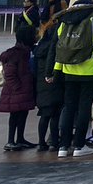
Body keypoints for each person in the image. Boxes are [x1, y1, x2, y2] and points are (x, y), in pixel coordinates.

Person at [53, 0, 93, 158]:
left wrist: (55, 70)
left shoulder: (65, 16)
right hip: (90, 70)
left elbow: (57, 44)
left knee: (69, 107)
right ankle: (79, 145)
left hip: (68, 68)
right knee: (84, 107)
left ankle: (63, 146)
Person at [0, 23, 37, 152]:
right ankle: (11, 141)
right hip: (17, 91)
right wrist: (17, 87)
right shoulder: (18, 53)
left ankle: (20, 139)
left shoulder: (24, 52)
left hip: (21, 90)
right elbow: (10, 73)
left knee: (22, 114)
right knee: (15, 115)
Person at [33, 15, 64, 152]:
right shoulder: (56, 49)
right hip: (55, 84)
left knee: (44, 115)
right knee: (55, 115)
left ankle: (41, 143)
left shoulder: (39, 50)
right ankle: (54, 142)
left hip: (41, 86)